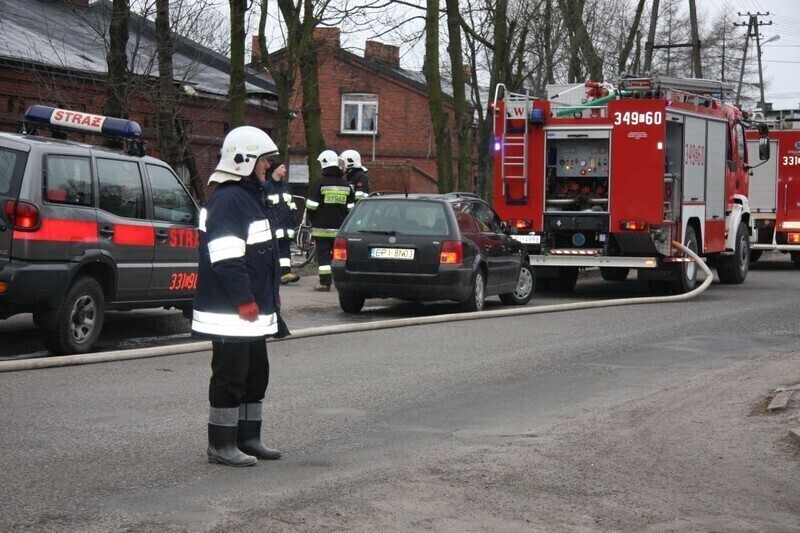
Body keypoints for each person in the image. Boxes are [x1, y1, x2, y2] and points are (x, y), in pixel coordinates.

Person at [191, 125, 284, 467]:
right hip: (231, 311)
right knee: (230, 375)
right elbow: (228, 258)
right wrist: (245, 299)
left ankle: (248, 437)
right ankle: (221, 444)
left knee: (256, 373)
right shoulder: (230, 199)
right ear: (244, 160)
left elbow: (263, 257)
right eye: (264, 161)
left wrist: (270, 296)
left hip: (250, 309)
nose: (268, 167)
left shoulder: (250, 197)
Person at [306, 150, 355, 291]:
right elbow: (351, 209)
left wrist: (313, 219)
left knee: (324, 257)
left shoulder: (319, 184)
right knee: (341, 256)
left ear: (324, 164)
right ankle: (342, 282)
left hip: (321, 229)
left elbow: (311, 206)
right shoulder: (346, 185)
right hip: (340, 230)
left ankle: (324, 282)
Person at [262, 158, 300, 284]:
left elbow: (292, 205)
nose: (285, 169)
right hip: (273, 225)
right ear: (275, 170)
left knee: (285, 249)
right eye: (282, 167)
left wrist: (294, 218)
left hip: (286, 225)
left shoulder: (286, 187)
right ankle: (274, 274)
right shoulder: (266, 187)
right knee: (273, 250)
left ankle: (285, 273)